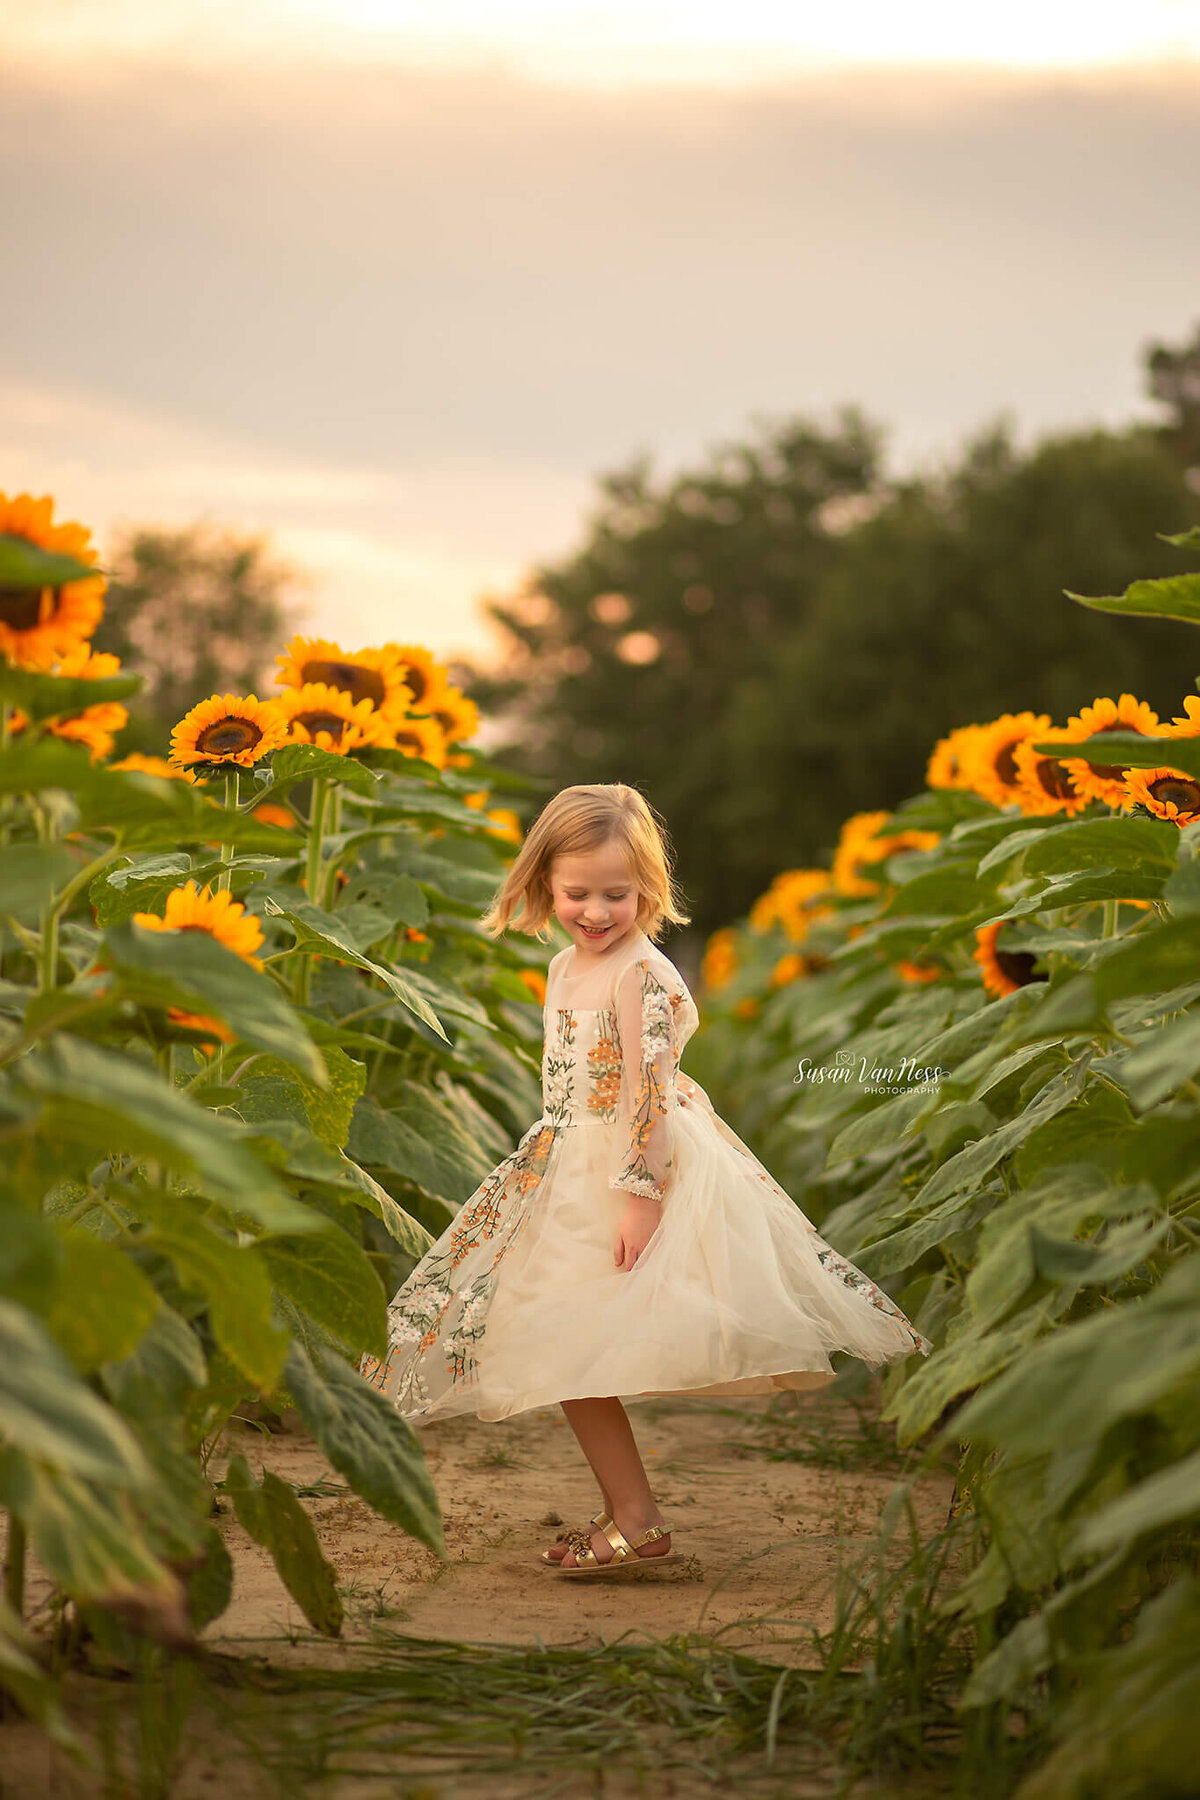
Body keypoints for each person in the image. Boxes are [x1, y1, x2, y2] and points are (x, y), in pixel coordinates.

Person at [360, 783, 932, 1579]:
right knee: (558, 1345)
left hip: (628, 1169)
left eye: (617, 895)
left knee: (567, 1346)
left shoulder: (644, 976)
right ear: (542, 884)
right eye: (576, 894)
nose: (596, 912)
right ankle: (627, 1511)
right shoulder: (564, 965)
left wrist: (639, 1196)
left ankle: (637, 1517)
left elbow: (648, 1091)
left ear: (649, 891)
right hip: (565, 1162)